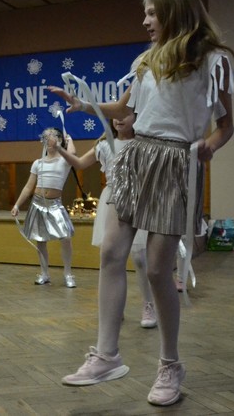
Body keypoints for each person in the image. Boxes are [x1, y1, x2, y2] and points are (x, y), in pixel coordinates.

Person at [49, 0, 234, 406]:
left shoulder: (214, 61)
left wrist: (210, 144)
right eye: (146, 13)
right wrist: (83, 105)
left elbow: (226, 126)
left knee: (156, 270)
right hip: (136, 157)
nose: (146, 21)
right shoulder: (146, 60)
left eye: (152, 13)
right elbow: (124, 109)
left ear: (174, 13)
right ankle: (106, 355)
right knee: (111, 252)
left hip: (175, 162)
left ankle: (170, 364)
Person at [51, 115, 156, 328]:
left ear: (136, 117)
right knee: (112, 257)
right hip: (112, 201)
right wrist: (60, 149)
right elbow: (80, 163)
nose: (119, 119)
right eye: (116, 116)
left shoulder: (143, 143)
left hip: (138, 199)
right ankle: (115, 306)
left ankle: (148, 304)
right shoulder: (105, 145)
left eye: (125, 115)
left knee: (139, 257)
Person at [11, 128, 77, 288]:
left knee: (66, 237)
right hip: (38, 203)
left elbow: (73, 154)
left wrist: (69, 139)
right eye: (45, 137)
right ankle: (44, 273)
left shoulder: (64, 161)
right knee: (40, 240)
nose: (48, 140)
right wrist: (17, 204)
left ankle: (68, 273)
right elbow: (28, 187)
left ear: (59, 140)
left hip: (55, 204)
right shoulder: (38, 163)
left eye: (51, 136)